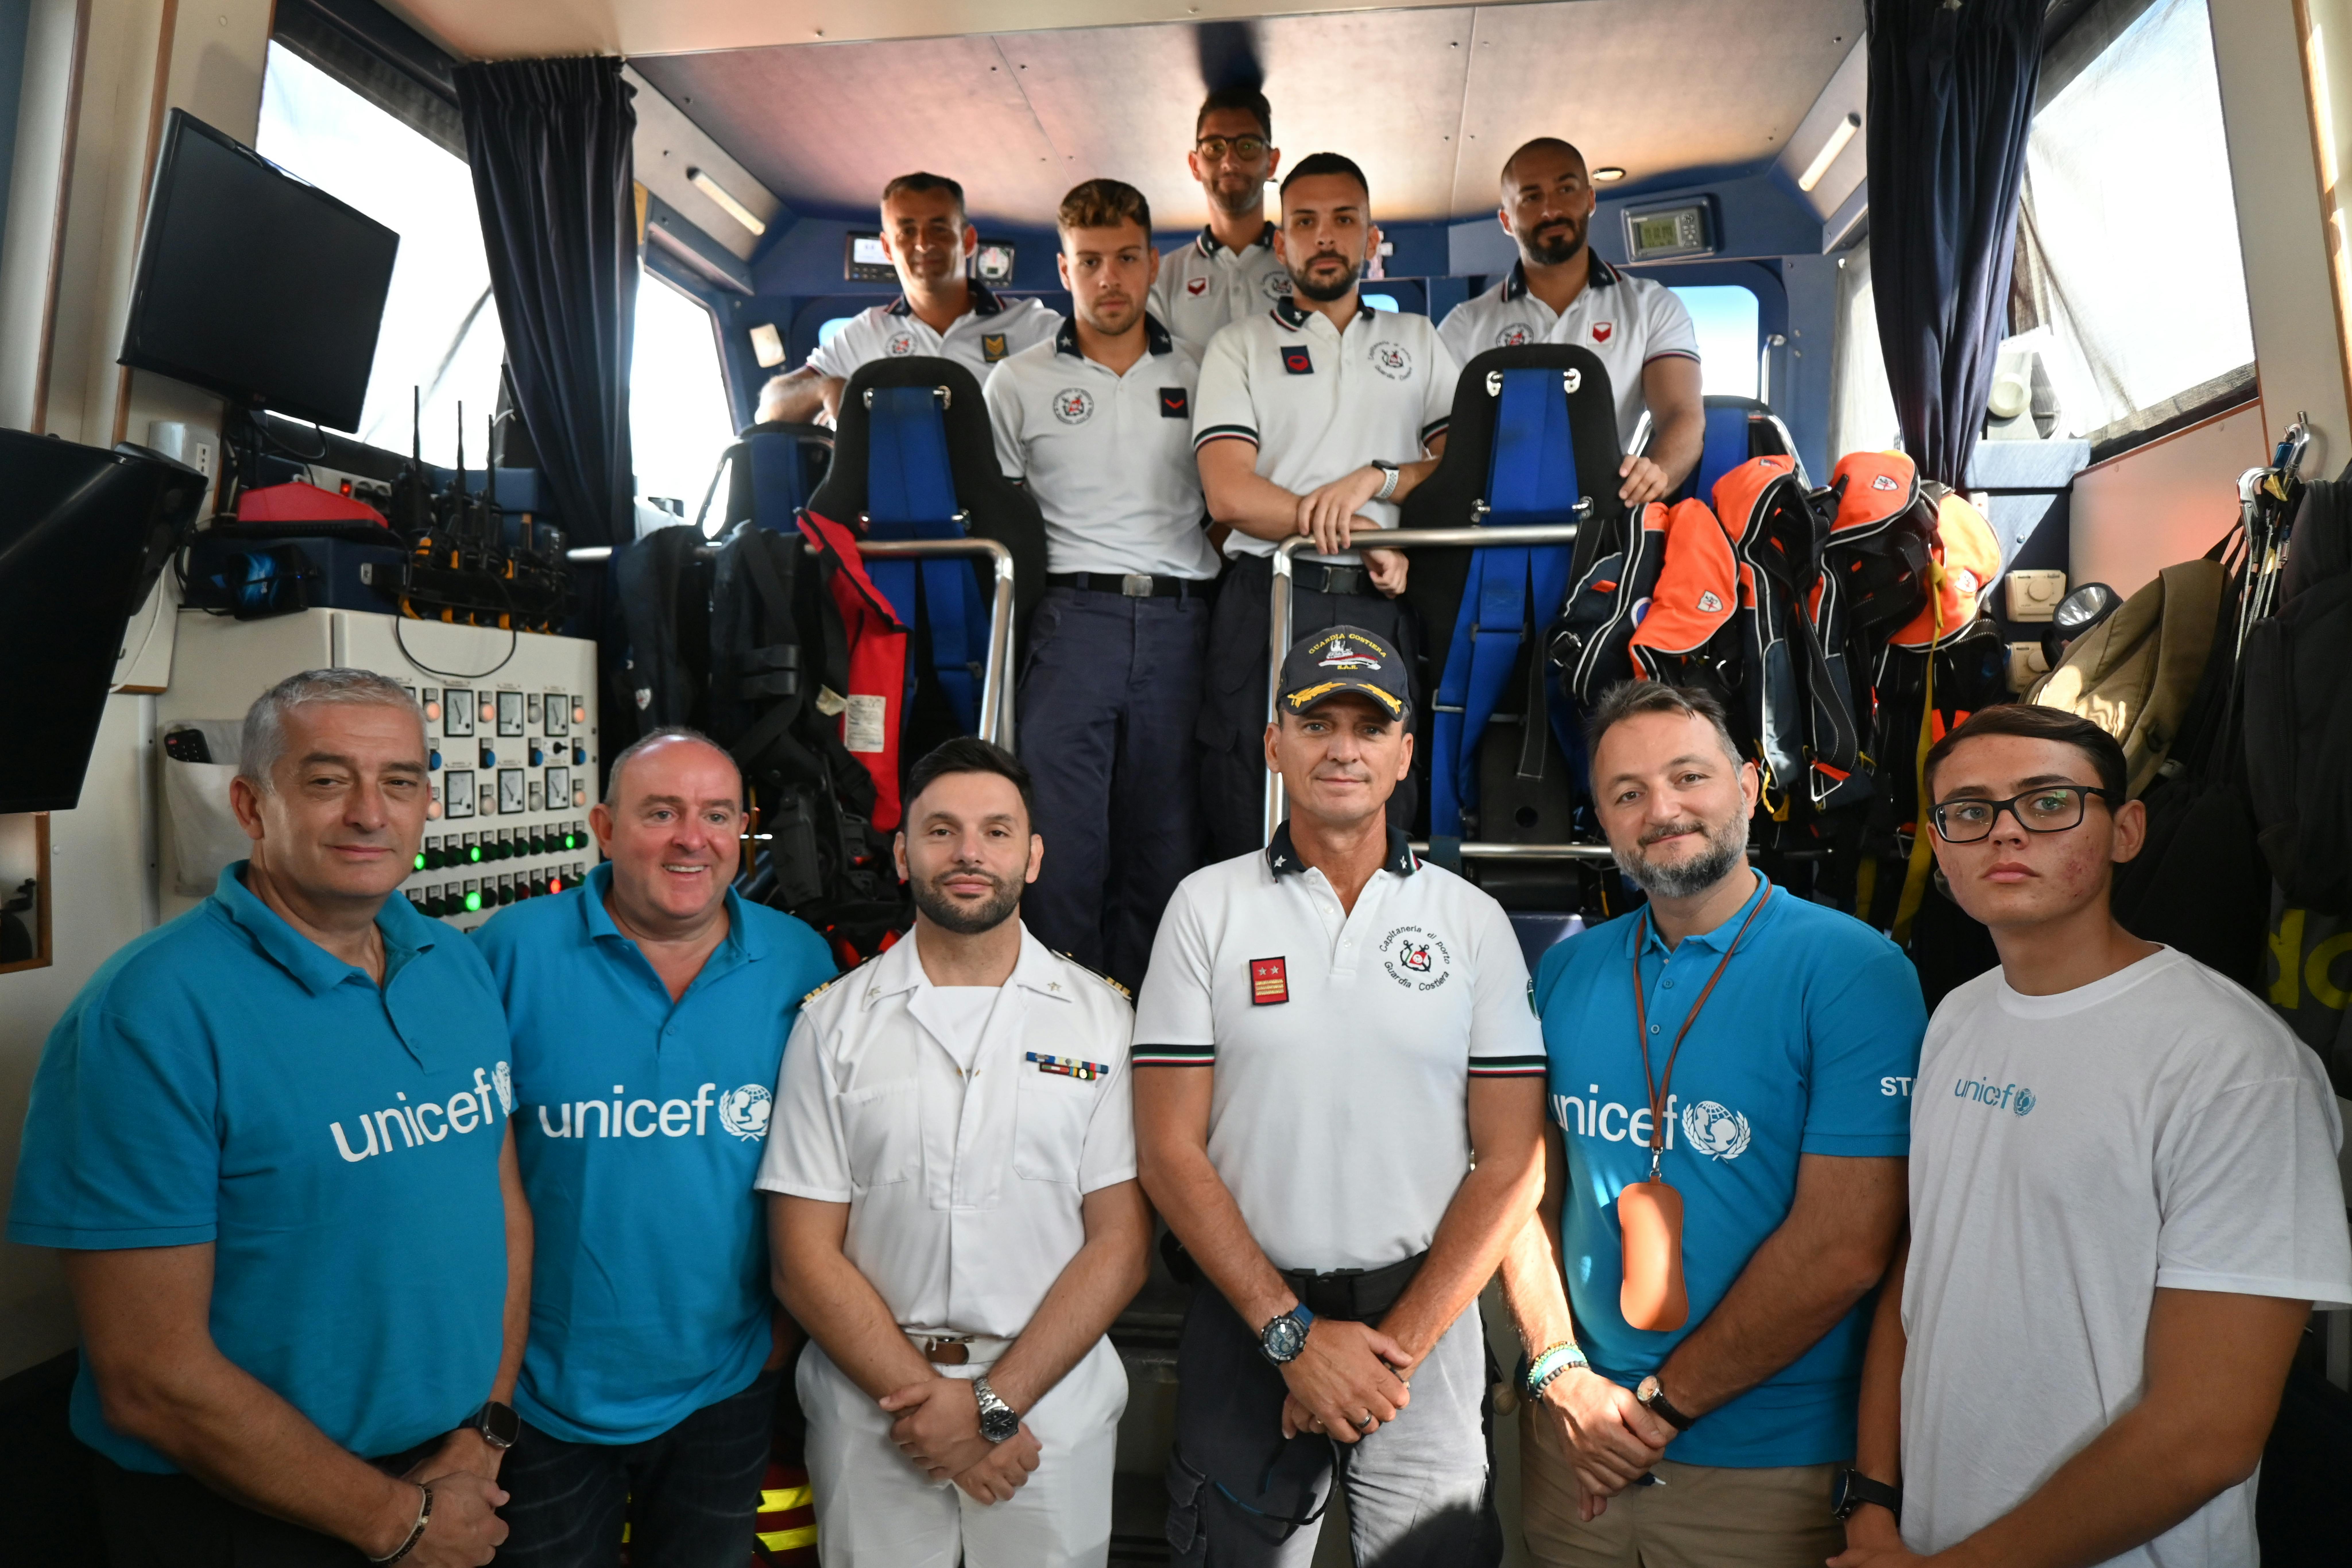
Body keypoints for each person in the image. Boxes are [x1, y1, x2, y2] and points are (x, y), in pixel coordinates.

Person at [7, 669, 529, 1568]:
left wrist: (486, 1429)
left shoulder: (453, 961)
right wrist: (393, 1519)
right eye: (328, 780)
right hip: (244, 1511)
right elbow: (149, 1376)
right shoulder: (150, 1015)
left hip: (451, 1473)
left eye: (399, 780)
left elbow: (504, 1210)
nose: (371, 812)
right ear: (251, 804)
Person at [1830, 704, 2352, 1568]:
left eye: (2046, 802)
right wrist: (1873, 1502)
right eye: (1969, 810)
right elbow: (1922, 1272)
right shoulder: (1958, 1015)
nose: (2004, 834)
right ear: (1938, 842)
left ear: (2126, 829)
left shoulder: (2231, 1063)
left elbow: (2207, 1432)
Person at [1133, 626, 1548, 1567]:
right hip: (1245, 1320)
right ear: (1273, 743)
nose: (1343, 748)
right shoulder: (1207, 907)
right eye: (1317, 722)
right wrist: (1290, 1336)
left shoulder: (1470, 921)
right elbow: (1167, 1149)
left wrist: (1388, 1353)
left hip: (1422, 1325)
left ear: (1405, 755)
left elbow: (1514, 1163)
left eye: (1371, 727)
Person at [1503, 679, 1922, 1568]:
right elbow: (1518, 1193)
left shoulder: (1855, 971)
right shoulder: (1567, 970)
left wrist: (1655, 1409)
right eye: (1627, 792)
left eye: (1687, 776)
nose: (1661, 809)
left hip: (1767, 1471)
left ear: (1744, 782)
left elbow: (1845, 1243)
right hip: (1571, 1447)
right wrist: (1558, 1372)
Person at [760, 738, 1151, 1567]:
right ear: (903, 854)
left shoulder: (1101, 1019)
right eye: (942, 830)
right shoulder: (833, 1024)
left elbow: (1120, 1243)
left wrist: (993, 1407)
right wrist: (930, 1405)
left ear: (1034, 856)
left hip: (1052, 1406)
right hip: (877, 1411)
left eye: (997, 831)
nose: (970, 851)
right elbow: (802, 1257)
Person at [470, 728, 837, 1567]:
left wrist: (779, 1336)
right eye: (660, 811)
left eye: (715, 814)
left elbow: (830, 1167)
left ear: (743, 829)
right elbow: (464, 1177)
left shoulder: (800, 963)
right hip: (543, 1390)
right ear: (602, 825)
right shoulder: (506, 954)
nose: (691, 837)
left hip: (727, 1381)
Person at [984, 177, 1220, 993]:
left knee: (1165, 845)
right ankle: (1060, 1022)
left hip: (1181, 624)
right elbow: (1002, 514)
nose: (1110, 278)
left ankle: (1151, 1040)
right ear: (1064, 268)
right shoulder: (1015, 383)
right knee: (1064, 846)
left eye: (1127, 258)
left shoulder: (1203, 372)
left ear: (1153, 261)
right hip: (1071, 621)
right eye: (1091, 262)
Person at [1191, 153, 1461, 859]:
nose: (1325, 236)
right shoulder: (1238, 347)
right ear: (1281, 244)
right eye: (1305, 222)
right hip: (1268, 596)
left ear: (1372, 240)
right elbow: (1229, 491)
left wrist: (1376, 478)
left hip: (1383, 602)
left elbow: (1458, 471)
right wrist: (1362, 528)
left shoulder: (1418, 342)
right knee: (1249, 801)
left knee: (1381, 805)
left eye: (1345, 220)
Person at [1437, 139, 1704, 508]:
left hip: (1606, 515)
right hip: (1491, 521)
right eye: (1530, 198)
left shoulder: (1651, 306)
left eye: (1566, 189)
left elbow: (1682, 414)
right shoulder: (1464, 325)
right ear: (1506, 220)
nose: (1551, 210)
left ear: (1590, 200)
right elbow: (1437, 442)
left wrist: (1654, 474)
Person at [758, 172, 1059, 425]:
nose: (924, 244)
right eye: (907, 231)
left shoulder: (1031, 325)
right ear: (888, 248)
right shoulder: (866, 333)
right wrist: (822, 389)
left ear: (967, 240)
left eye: (939, 228)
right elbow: (769, 410)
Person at [1149, 85, 1293, 355]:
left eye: (1248, 146)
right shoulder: (1163, 280)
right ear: (1195, 165)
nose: (1230, 160)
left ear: (1272, 162)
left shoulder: (1303, 267)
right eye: (1215, 147)